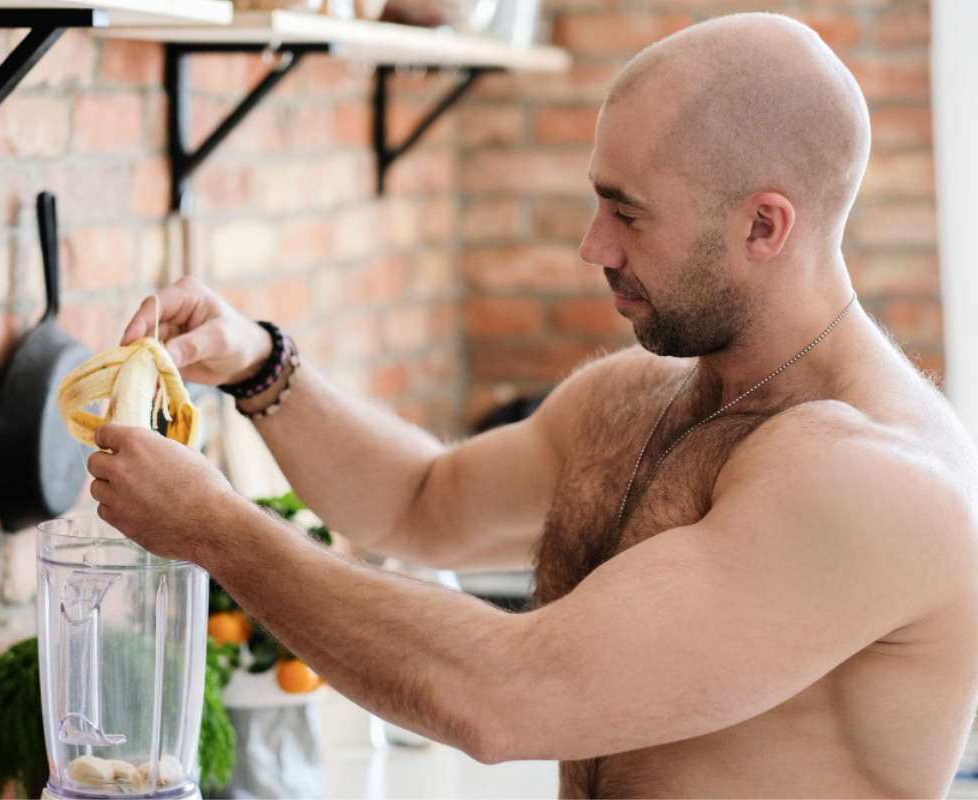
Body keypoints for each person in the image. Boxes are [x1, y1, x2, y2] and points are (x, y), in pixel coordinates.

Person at [88, 12, 978, 798]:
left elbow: (503, 701)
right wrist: (260, 365)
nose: (593, 245)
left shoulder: (871, 482)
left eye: (627, 215)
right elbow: (419, 502)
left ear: (764, 226)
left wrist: (214, 529)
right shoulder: (640, 398)